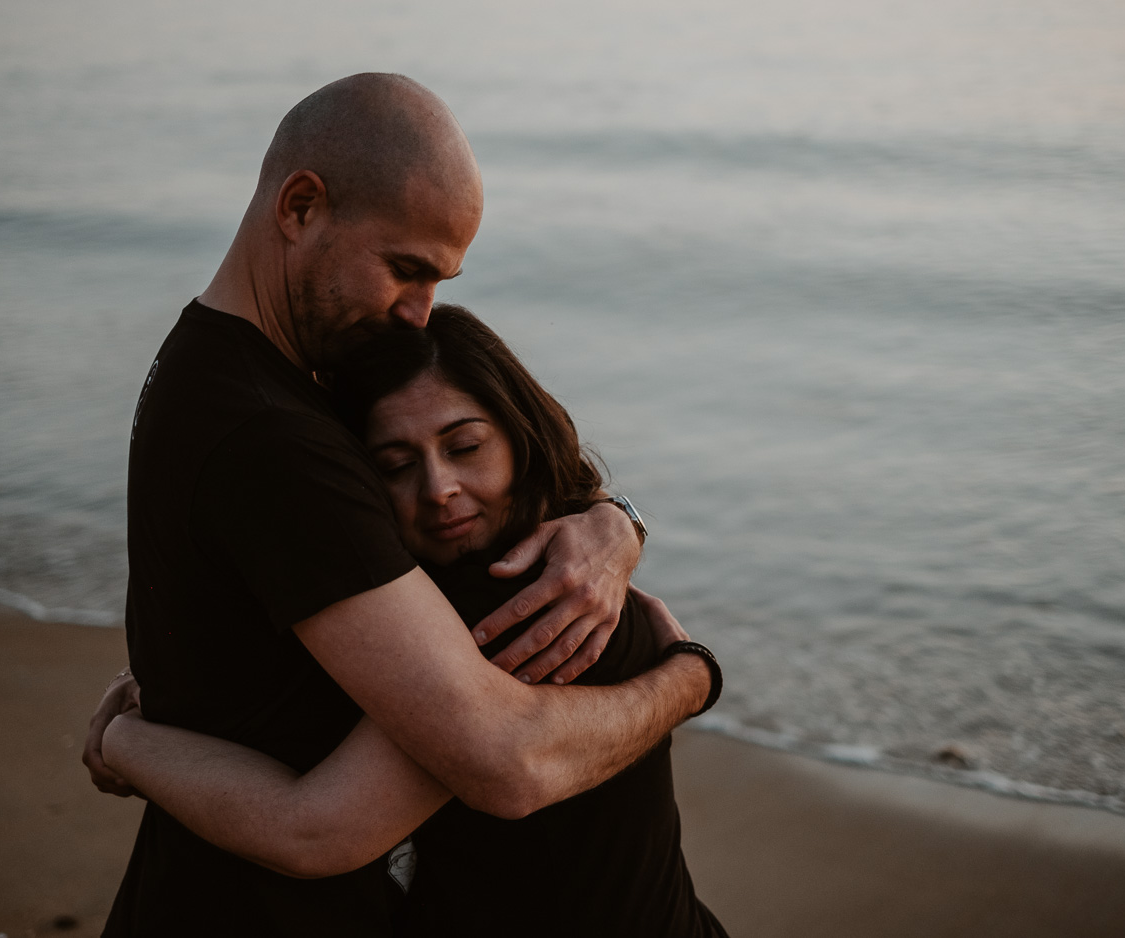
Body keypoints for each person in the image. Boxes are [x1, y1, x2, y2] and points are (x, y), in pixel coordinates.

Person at [81, 73, 718, 936]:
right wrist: (689, 677)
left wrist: (617, 521)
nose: (420, 316)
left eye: (440, 281)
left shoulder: (222, 370)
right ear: (300, 206)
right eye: (406, 270)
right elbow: (502, 760)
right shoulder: (272, 439)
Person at [102, 304, 729, 937]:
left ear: (521, 437)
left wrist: (123, 741)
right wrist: (622, 523)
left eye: (465, 447)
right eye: (396, 466)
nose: (438, 489)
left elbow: (314, 831)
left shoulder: (517, 603)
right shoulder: (555, 560)